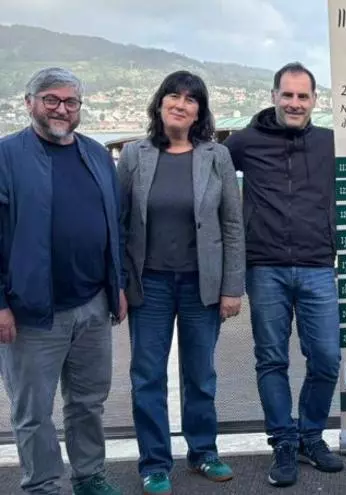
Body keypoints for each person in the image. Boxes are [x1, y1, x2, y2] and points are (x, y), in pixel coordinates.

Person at [116, 70, 245, 495]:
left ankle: (203, 451)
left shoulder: (216, 156)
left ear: (199, 112)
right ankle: (154, 463)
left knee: (200, 375)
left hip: (200, 286)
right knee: (147, 377)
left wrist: (232, 287)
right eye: (173, 96)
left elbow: (232, 226)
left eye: (191, 99)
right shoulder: (134, 155)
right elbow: (119, 224)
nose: (180, 104)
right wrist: (118, 284)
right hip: (148, 285)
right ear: (160, 104)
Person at [0, 67, 124, 495]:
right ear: (29, 103)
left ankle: (89, 476)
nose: (61, 109)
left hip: (92, 304)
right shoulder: (6, 155)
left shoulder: (96, 155)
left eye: (70, 102)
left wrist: (117, 285)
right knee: (34, 411)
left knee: (88, 402)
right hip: (31, 310)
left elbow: (113, 226)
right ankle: (43, 486)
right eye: (51, 99)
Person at [224, 62, 342, 487]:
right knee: (271, 359)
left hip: (317, 266)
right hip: (265, 267)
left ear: (314, 100)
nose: (295, 103)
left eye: (302, 96)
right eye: (287, 95)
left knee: (326, 357)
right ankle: (284, 442)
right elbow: (206, 175)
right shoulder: (244, 142)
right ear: (274, 96)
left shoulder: (329, 142)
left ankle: (311, 435)